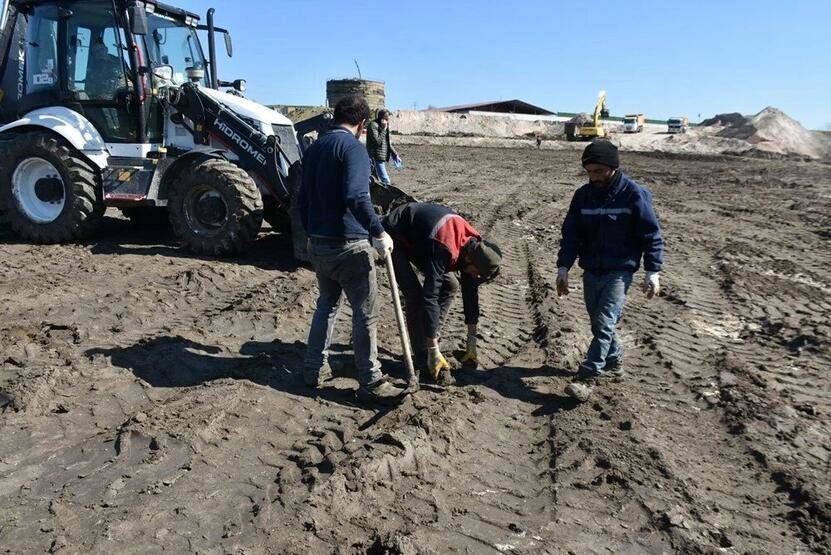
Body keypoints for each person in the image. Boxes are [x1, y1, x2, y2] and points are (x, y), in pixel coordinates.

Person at [296, 94, 405, 405]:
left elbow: (301, 198)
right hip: (348, 246)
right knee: (366, 312)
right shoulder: (353, 149)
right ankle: (371, 379)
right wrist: (378, 231)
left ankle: (313, 369)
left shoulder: (315, 148)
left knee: (327, 305)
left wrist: (311, 233)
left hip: (318, 244)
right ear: (361, 123)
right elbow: (357, 196)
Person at [556, 140, 664, 402]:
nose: (594, 177)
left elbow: (651, 234)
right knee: (598, 322)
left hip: (620, 271)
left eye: (599, 171)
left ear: (613, 168)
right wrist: (563, 267)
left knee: (605, 322)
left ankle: (588, 376)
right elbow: (571, 235)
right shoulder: (583, 196)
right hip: (592, 270)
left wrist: (653, 270)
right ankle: (614, 363)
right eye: (589, 172)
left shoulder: (634, 194)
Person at [382, 202, 502, 383]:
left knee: (451, 284)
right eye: (477, 273)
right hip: (395, 234)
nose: (476, 276)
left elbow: (470, 292)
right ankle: (423, 354)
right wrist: (433, 350)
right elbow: (430, 296)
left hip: (424, 239)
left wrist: (471, 340)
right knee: (415, 295)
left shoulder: (475, 248)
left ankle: (432, 334)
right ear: (470, 260)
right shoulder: (444, 248)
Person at [366, 109, 401, 185]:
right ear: (382, 118)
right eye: (387, 118)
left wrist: (395, 154)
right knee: (385, 180)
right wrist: (384, 129)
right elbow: (377, 141)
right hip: (375, 156)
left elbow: (387, 142)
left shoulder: (383, 125)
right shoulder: (373, 125)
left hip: (380, 156)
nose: (388, 120)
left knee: (374, 180)